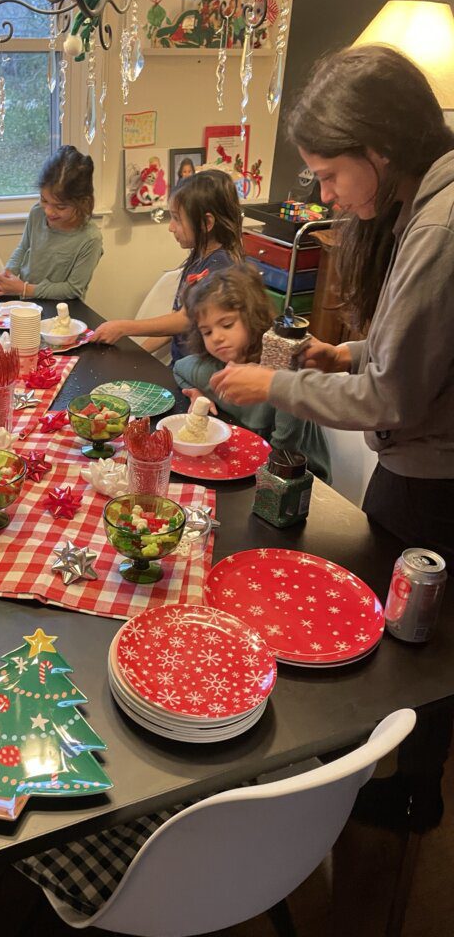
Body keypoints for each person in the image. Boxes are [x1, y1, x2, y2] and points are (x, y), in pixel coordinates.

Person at [209, 44, 454, 831]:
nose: (326, 194)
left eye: (330, 173)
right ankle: (393, 780)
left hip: (434, 482)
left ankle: (396, 791)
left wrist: (273, 382)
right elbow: (411, 355)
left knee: (412, 651)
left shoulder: (441, 226)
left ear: (378, 147)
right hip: (420, 464)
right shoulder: (428, 202)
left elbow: (395, 394)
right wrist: (340, 352)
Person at [173, 265, 331, 481]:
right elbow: (179, 368)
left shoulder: (279, 375)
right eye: (207, 332)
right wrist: (195, 392)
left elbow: (285, 448)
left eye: (227, 325)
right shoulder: (210, 369)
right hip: (246, 462)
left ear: (253, 318)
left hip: (301, 475)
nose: (216, 337)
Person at [92, 169, 244, 361]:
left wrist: (124, 327)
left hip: (199, 378)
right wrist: (141, 356)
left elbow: (186, 320)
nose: (171, 227)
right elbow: (174, 323)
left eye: (177, 219)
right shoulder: (198, 257)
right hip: (179, 367)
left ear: (206, 222)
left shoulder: (220, 268)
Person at [0, 145, 102, 302]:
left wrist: (23, 288)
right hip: (23, 293)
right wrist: (6, 276)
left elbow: (72, 289)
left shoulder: (90, 238)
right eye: (44, 200)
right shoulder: (37, 212)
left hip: (57, 303)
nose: (49, 211)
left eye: (60, 207)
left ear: (83, 202)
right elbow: (23, 248)